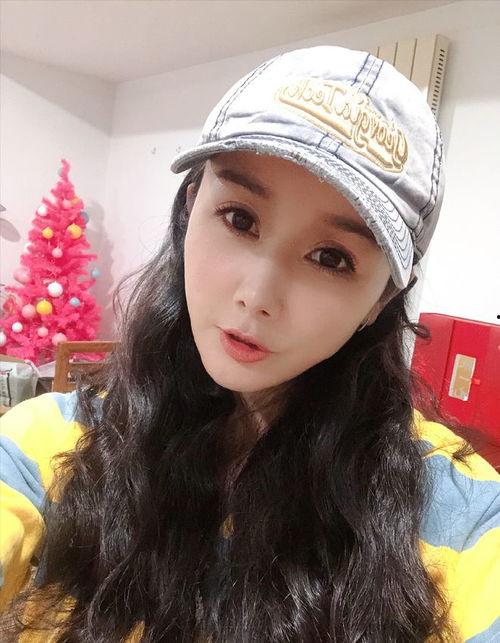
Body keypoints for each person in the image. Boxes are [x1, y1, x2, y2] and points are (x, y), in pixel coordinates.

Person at [0, 45, 498, 642]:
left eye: (331, 257)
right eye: (240, 218)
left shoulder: (460, 514)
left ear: (382, 298)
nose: (257, 295)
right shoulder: (47, 445)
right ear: (191, 206)